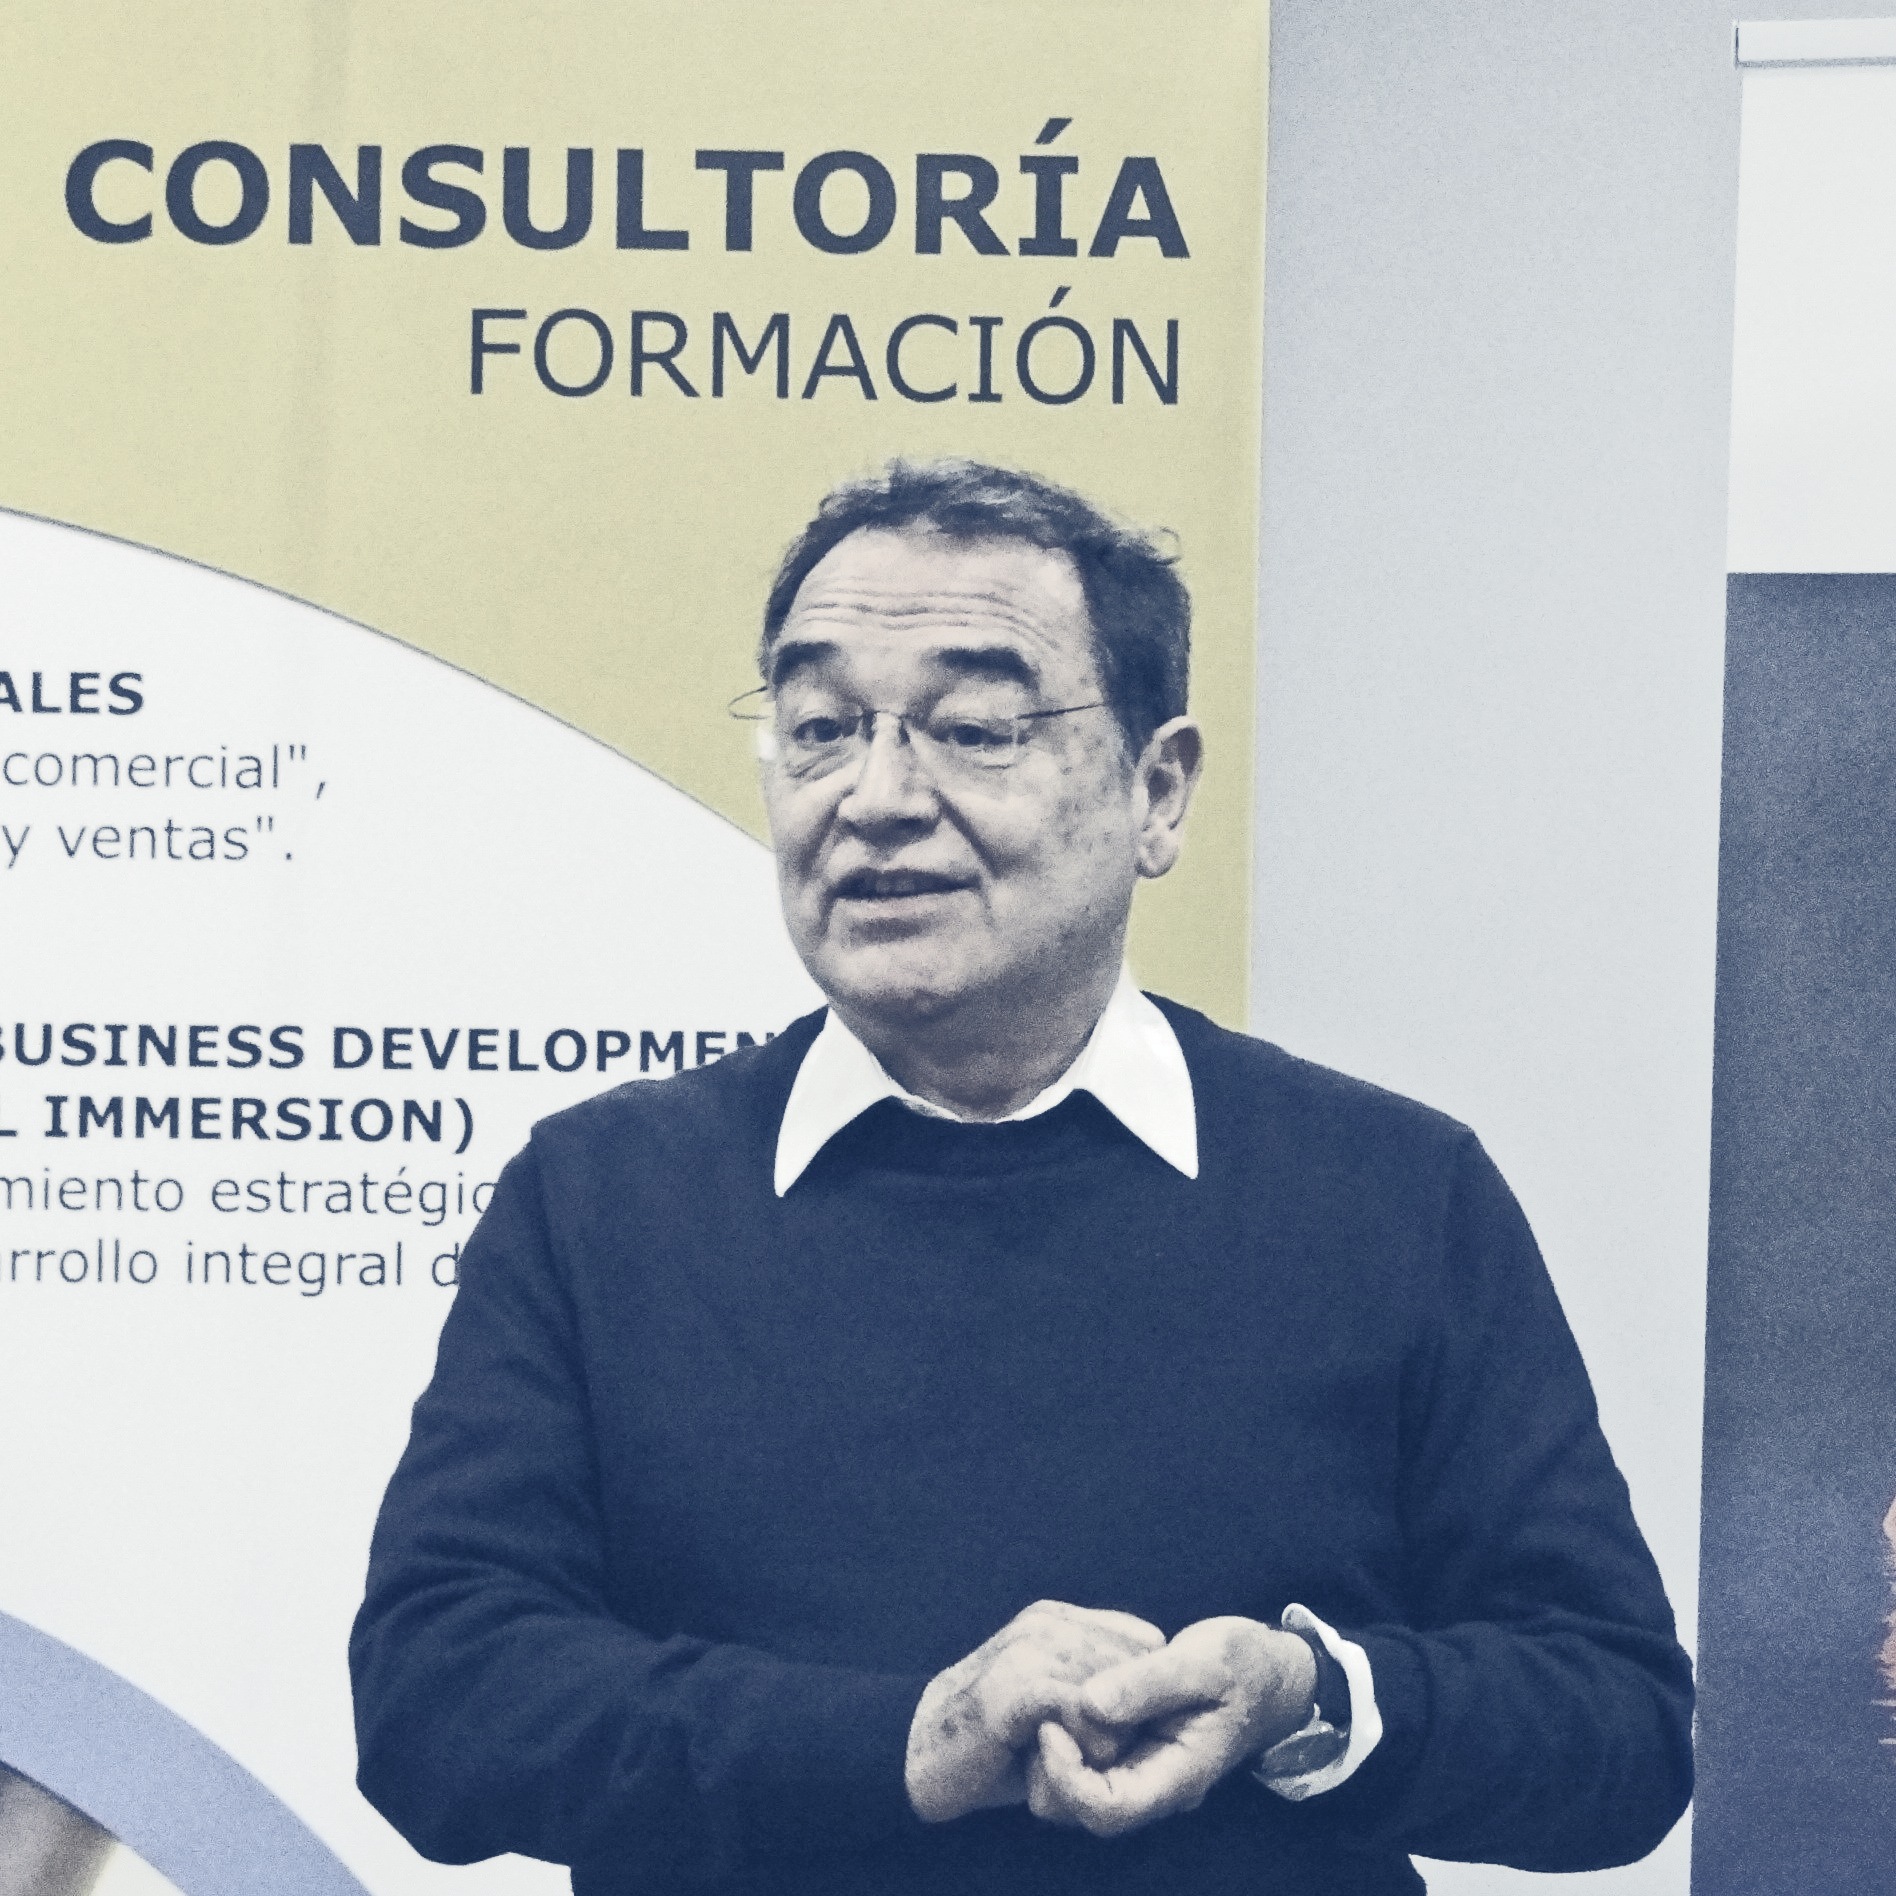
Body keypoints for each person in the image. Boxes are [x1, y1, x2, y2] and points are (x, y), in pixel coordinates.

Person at [349, 459, 1693, 1895]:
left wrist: (1312, 1702)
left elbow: (1617, 1731)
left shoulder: (1392, 1193)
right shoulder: (602, 1198)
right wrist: (908, 1744)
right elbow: (440, 1701)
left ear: (1156, 792)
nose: (875, 798)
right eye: (819, 729)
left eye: (975, 729)